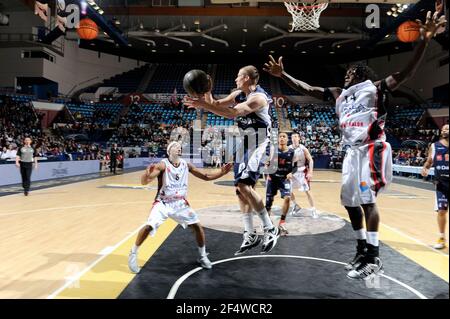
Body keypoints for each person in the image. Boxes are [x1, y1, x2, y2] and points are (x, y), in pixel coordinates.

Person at [263, 9, 446, 279]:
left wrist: (425, 41)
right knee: (349, 202)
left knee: (367, 200)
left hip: (372, 149)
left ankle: (374, 256)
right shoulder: (339, 94)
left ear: (360, 73)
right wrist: (284, 76)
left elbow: (405, 73)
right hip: (351, 153)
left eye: (350, 72)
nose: (346, 75)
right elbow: (310, 90)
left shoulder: (376, 87)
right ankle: (362, 248)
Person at [184, 65, 280, 255]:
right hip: (245, 141)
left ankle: (270, 228)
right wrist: (207, 90)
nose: (235, 79)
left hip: (260, 140)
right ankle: (250, 232)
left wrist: (204, 105)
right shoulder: (238, 94)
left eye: (238, 76)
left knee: (245, 185)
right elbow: (217, 105)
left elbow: (233, 113)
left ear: (246, 78)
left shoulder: (258, 98)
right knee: (239, 189)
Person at [128, 141, 232, 273]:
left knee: (197, 227)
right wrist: (146, 175)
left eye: (179, 147)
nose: (179, 148)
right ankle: (133, 253)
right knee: (149, 226)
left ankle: (202, 256)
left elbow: (206, 177)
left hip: (180, 203)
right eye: (175, 147)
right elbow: (145, 182)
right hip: (163, 203)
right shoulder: (162, 165)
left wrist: (221, 173)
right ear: (169, 151)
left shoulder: (185, 164)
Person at [422, 124, 449, 249]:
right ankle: (441, 238)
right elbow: (429, 161)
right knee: (442, 211)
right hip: (442, 184)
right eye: (443, 129)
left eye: (448, 128)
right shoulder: (434, 146)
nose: (445, 130)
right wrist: (425, 168)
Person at [265, 132, 296, 236]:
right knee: (268, 203)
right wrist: (266, 165)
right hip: (273, 178)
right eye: (280, 137)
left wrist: (292, 172)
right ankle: (267, 224)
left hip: (284, 179)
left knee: (287, 197)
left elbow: (295, 165)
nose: (282, 138)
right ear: (278, 139)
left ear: (287, 140)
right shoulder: (272, 150)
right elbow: (266, 162)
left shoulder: (291, 152)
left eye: (284, 137)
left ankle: (282, 222)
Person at [289, 132, 317, 218]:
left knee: (307, 191)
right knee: (288, 190)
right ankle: (295, 206)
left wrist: (310, 172)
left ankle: (313, 210)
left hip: (302, 171)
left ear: (299, 138)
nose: (294, 138)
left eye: (296, 136)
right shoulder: (288, 148)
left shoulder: (303, 148)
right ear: (291, 139)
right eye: (293, 136)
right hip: (293, 171)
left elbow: (311, 160)